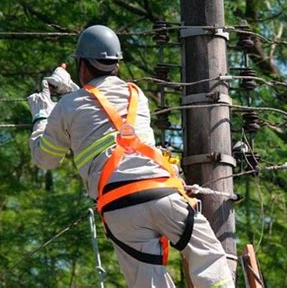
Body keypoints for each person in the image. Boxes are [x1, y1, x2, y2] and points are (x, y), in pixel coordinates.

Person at [27, 25, 234, 288]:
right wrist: (72, 91)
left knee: (148, 282)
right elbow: (101, 109)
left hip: (120, 209)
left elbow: (46, 158)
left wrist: (42, 115)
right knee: (209, 259)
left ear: (83, 65)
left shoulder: (68, 107)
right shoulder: (137, 94)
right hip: (161, 194)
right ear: (116, 64)